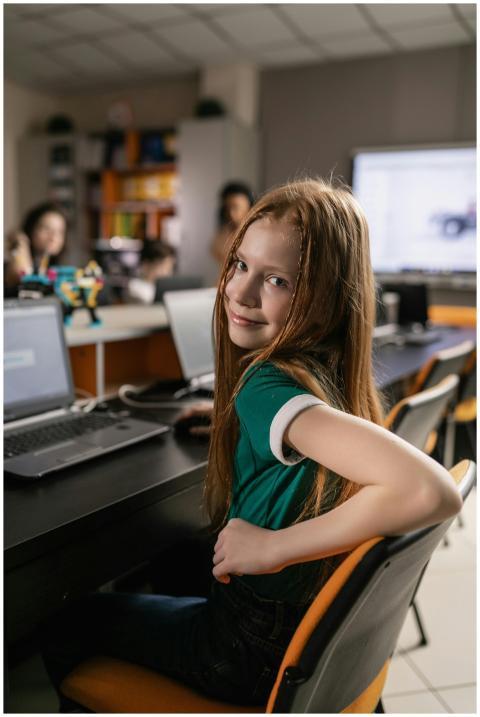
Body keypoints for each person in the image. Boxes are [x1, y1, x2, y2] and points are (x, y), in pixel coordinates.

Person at [42, 178, 462, 709]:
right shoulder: (329, 370)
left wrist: (272, 546)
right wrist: (233, 420)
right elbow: (307, 429)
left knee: (68, 620)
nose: (239, 293)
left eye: (277, 280)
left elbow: (432, 491)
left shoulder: (267, 387)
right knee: (176, 558)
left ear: (326, 295)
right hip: (302, 636)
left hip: (246, 648)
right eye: (240, 265)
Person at [4, 202, 67, 295]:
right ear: (31, 229)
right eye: (46, 229)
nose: (53, 237)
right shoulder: (14, 266)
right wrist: (21, 242)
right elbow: (22, 274)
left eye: (59, 231)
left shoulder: (58, 272)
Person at [211, 181, 254, 269]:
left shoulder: (256, 233)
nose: (231, 213)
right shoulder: (224, 231)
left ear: (248, 206)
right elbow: (216, 251)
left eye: (236, 207)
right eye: (227, 208)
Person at [126, 239, 177, 304]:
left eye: (169, 268)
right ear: (145, 265)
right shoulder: (134, 287)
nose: (166, 273)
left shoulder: (169, 288)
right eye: (162, 267)